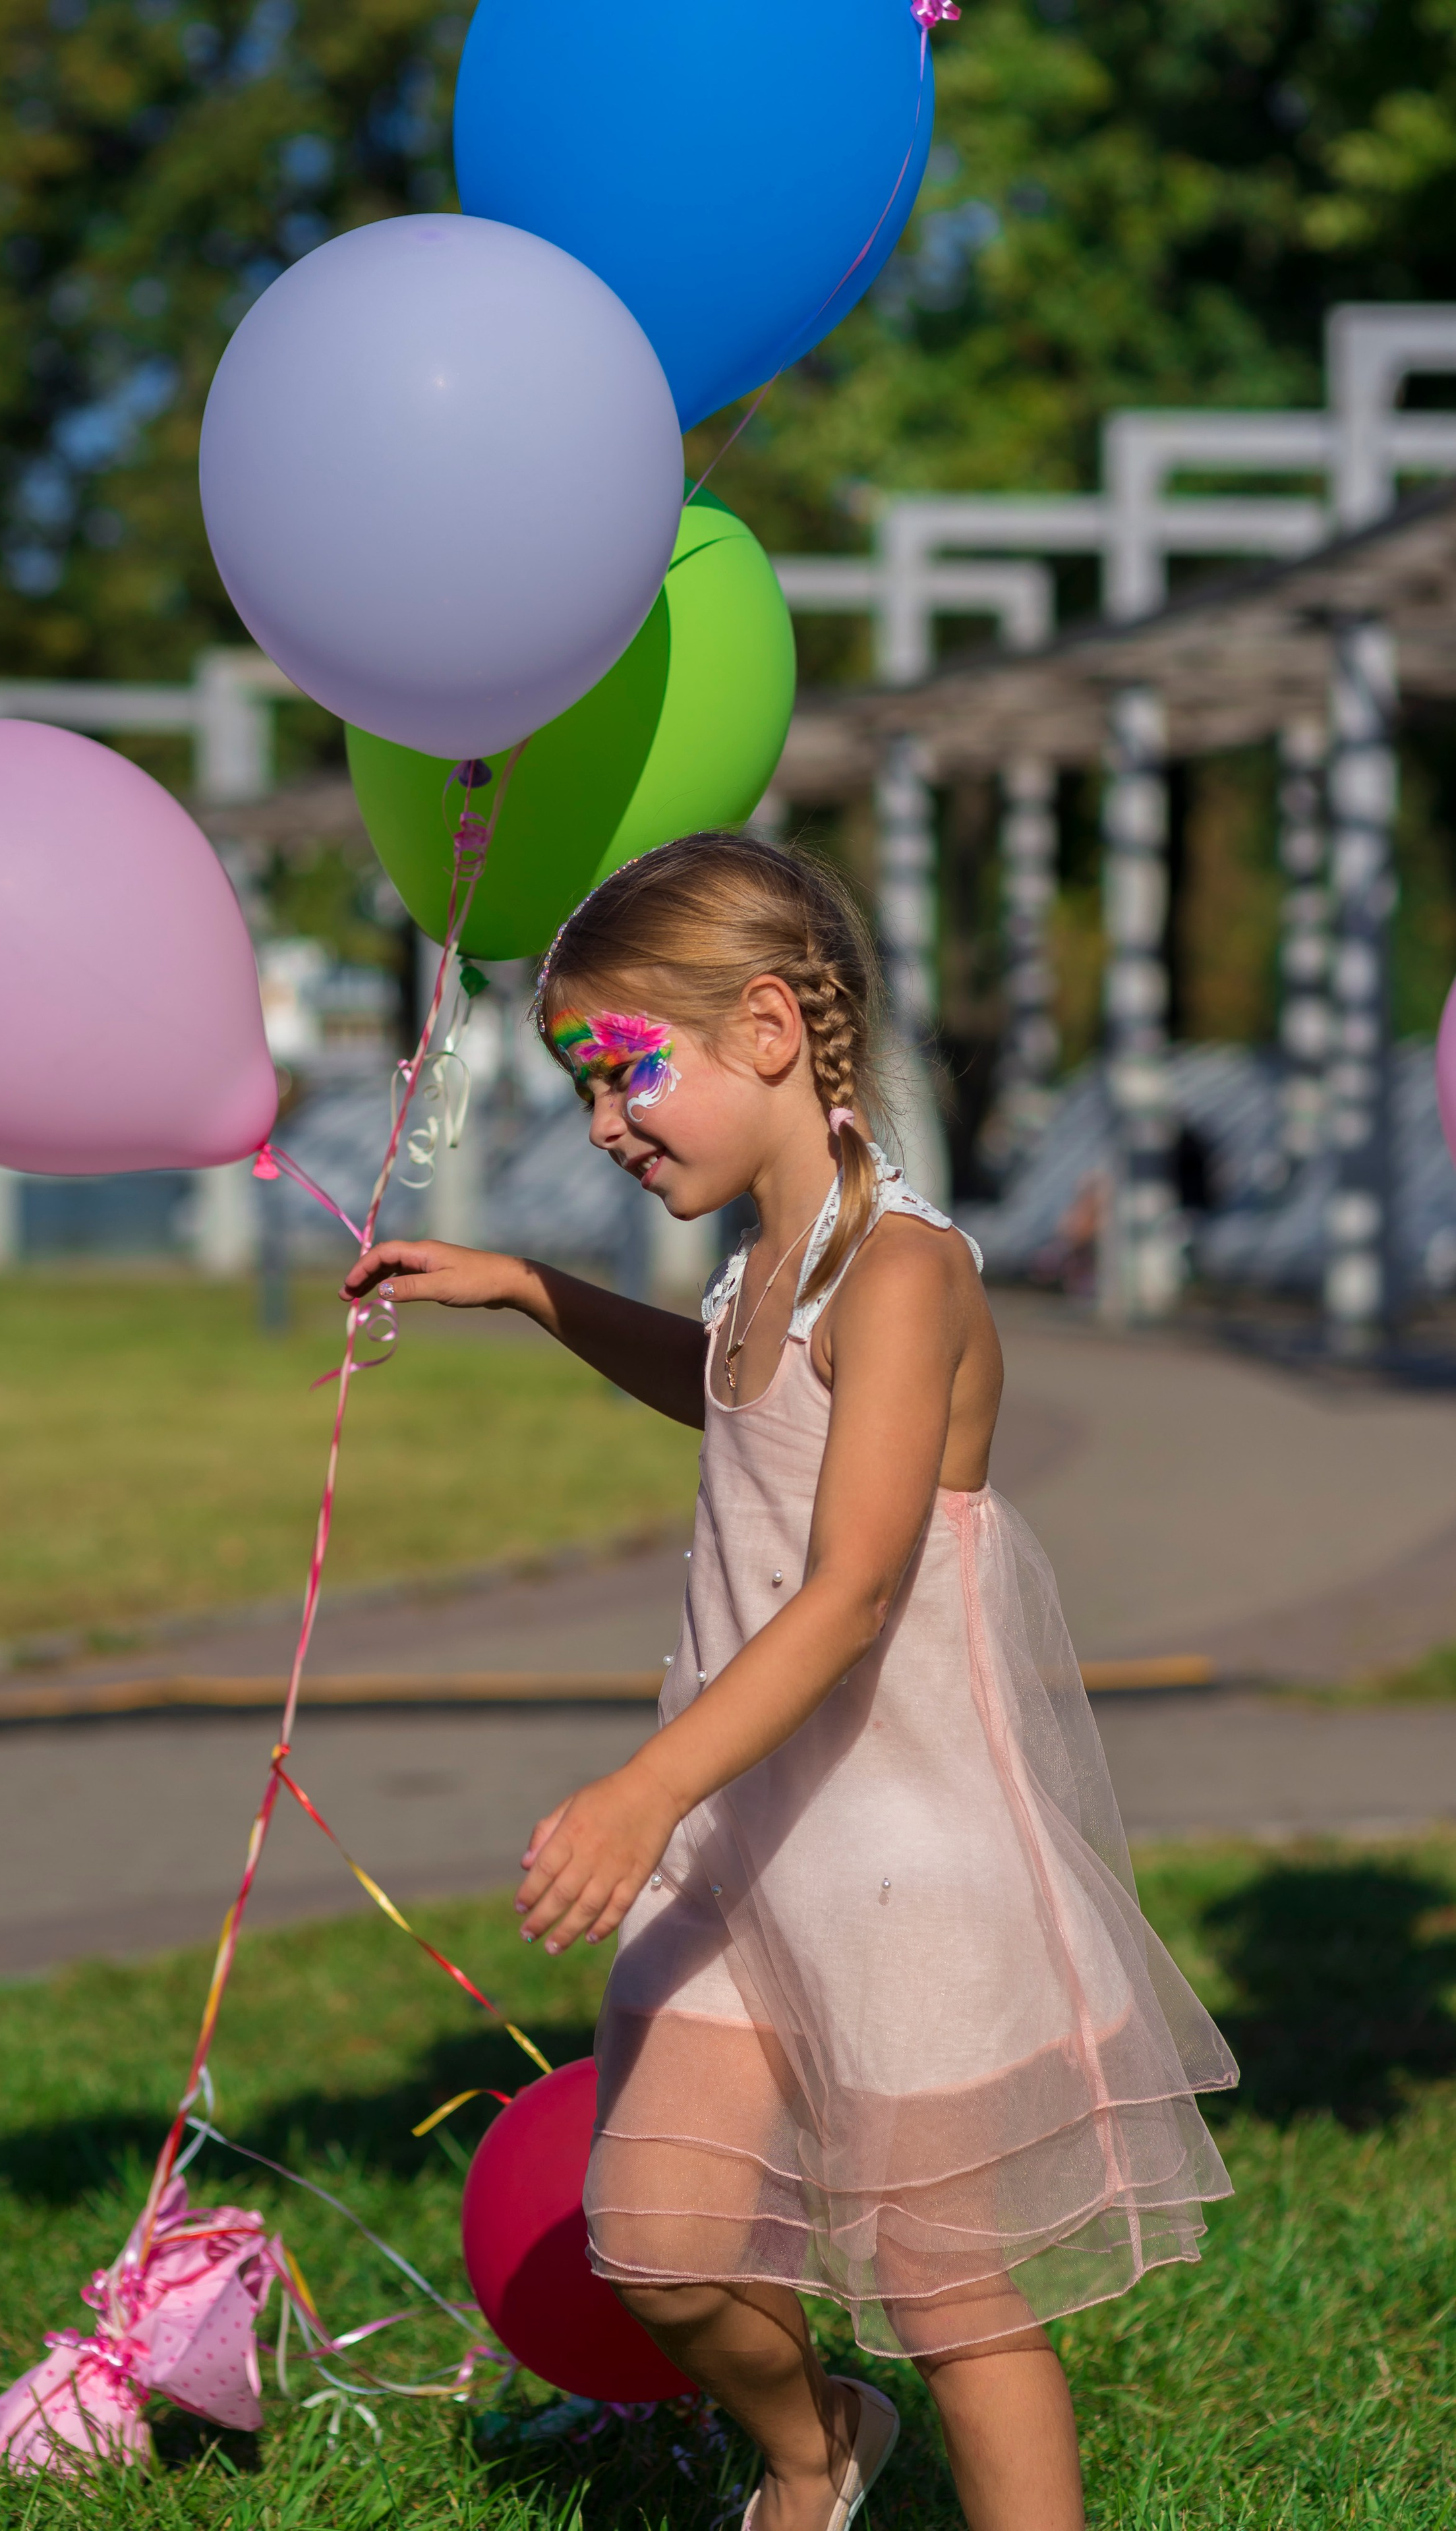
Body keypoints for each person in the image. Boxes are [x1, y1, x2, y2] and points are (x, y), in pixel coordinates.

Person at [343, 834, 1236, 2531]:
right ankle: (817, 2451)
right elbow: (734, 1397)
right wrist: (534, 1291)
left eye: (624, 1076)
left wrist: (645, 1784)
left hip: (905, 1863)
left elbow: (849, 1594)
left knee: (959, 2305)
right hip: (751, 1846)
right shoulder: (762, 1270)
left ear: (765, 1028)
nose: (606, 1127)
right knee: (661, 2246)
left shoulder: (906, 1274)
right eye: (585, 1092)